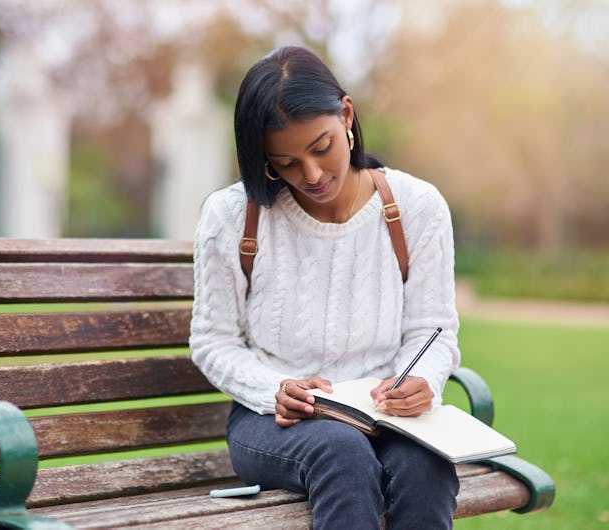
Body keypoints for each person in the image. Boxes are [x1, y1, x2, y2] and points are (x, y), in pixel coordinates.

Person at [189, 46, 461, 529]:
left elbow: (433, 330)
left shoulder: (419, 207)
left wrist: (422, 383)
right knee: (341, 451)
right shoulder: (232, 216)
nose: (311, 176)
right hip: (275, 422)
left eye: (322, 147)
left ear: (347, 115)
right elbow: (213, 341)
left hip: (384, 417)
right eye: (284, 163)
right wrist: (277, 388)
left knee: (428, 465)